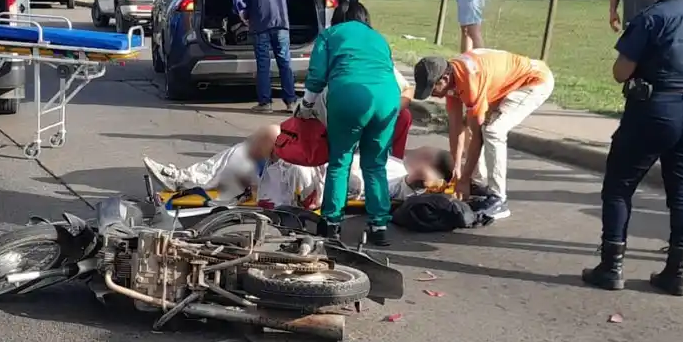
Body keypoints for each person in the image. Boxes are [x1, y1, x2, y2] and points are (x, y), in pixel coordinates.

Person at [583, 0, 683, 297]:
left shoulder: (653, 17)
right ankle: (677, 272)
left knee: (620, 185)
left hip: (656, 107)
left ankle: (611, 266)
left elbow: (621, 71)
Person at [299, 1, 404, 246]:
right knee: (375, 163)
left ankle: (332, 223)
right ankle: (379, 225)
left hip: (349, 96)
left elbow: (316, 75)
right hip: (388, 97)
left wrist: (306, 105)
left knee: (340, 161)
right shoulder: (378, 38)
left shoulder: (330, 35)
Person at [412, 48, 554, 220]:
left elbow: (477, 137)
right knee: (469, 124)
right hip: (506, 84)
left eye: (433, 89)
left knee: (493, 130)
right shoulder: (452, 77)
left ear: (445, 78)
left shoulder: (469, 81)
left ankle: (498, 199)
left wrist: (463, 179)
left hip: (534, 81)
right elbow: (456, 127)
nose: (434, 95)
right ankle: (478, 184)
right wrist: (456, 169)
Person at [143, 136, 454, 211]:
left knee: (271, 150)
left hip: (316, 184)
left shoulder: (401, 180)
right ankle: (185, 179)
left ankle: (189, 185)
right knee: (248, 150)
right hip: (315, 170)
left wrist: (430, 181)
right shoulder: (395, 162)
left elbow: (414, 186)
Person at [233, 0, 296, 113]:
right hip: (282, 24)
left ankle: (265, 103)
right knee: (285, 62)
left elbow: (239, 0)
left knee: (263, 64)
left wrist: (244, 16)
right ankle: (291, 102)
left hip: (260, 25)